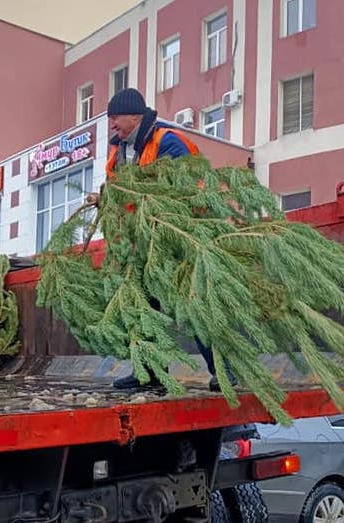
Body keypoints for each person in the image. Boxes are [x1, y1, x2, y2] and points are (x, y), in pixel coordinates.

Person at [90, 88, 232, 392]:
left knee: (193, 304)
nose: (112, 124)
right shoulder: (119, 152)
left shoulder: (168, 141)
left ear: (134, 115)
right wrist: (103, 199)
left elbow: (180, 188)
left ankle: (224, 371)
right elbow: (120, 193)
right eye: (110, 118)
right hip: (142, 242)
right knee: (144, 306)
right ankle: (151, 372)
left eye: (115, 117)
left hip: (180, 237)